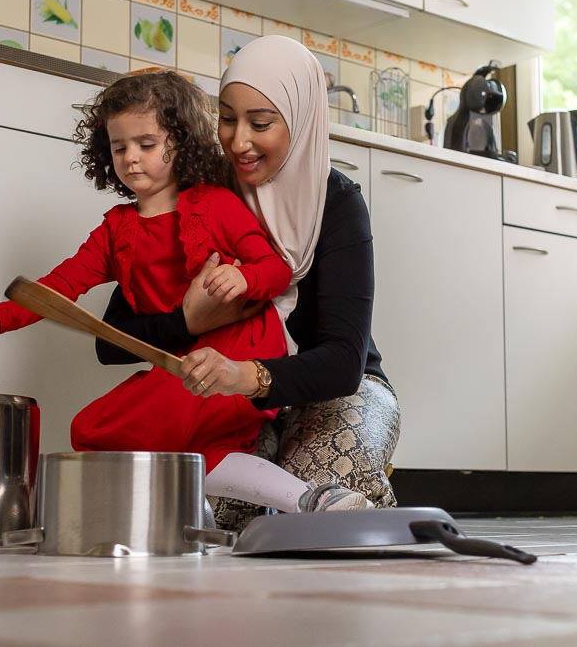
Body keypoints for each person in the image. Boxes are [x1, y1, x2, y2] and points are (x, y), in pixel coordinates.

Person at [0, 71, 373, 514]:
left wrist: (245, 279)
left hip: (240, 348)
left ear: (181, 143)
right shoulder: (114, 229)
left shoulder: (215, 204)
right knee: (99, 429)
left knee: (176, 434)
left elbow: (275, 267)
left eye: (147, 145)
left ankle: (302, 501)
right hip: (189, 356)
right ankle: (306, 501)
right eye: (119, 148)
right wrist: (0, 317)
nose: (131, 159)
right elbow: (61, 286)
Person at [96, 37, 401, 530]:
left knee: (316, 507)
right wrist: (188, 321)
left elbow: (345, 362)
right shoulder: (198, 195)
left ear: (300, 120)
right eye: (227, 118)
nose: (238, 142)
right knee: (210, 517)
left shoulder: (337, 204)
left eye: (261, 124)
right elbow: (109, 341)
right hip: (231, 399)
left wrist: (248, 376)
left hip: (337, 390)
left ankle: (369, 502)